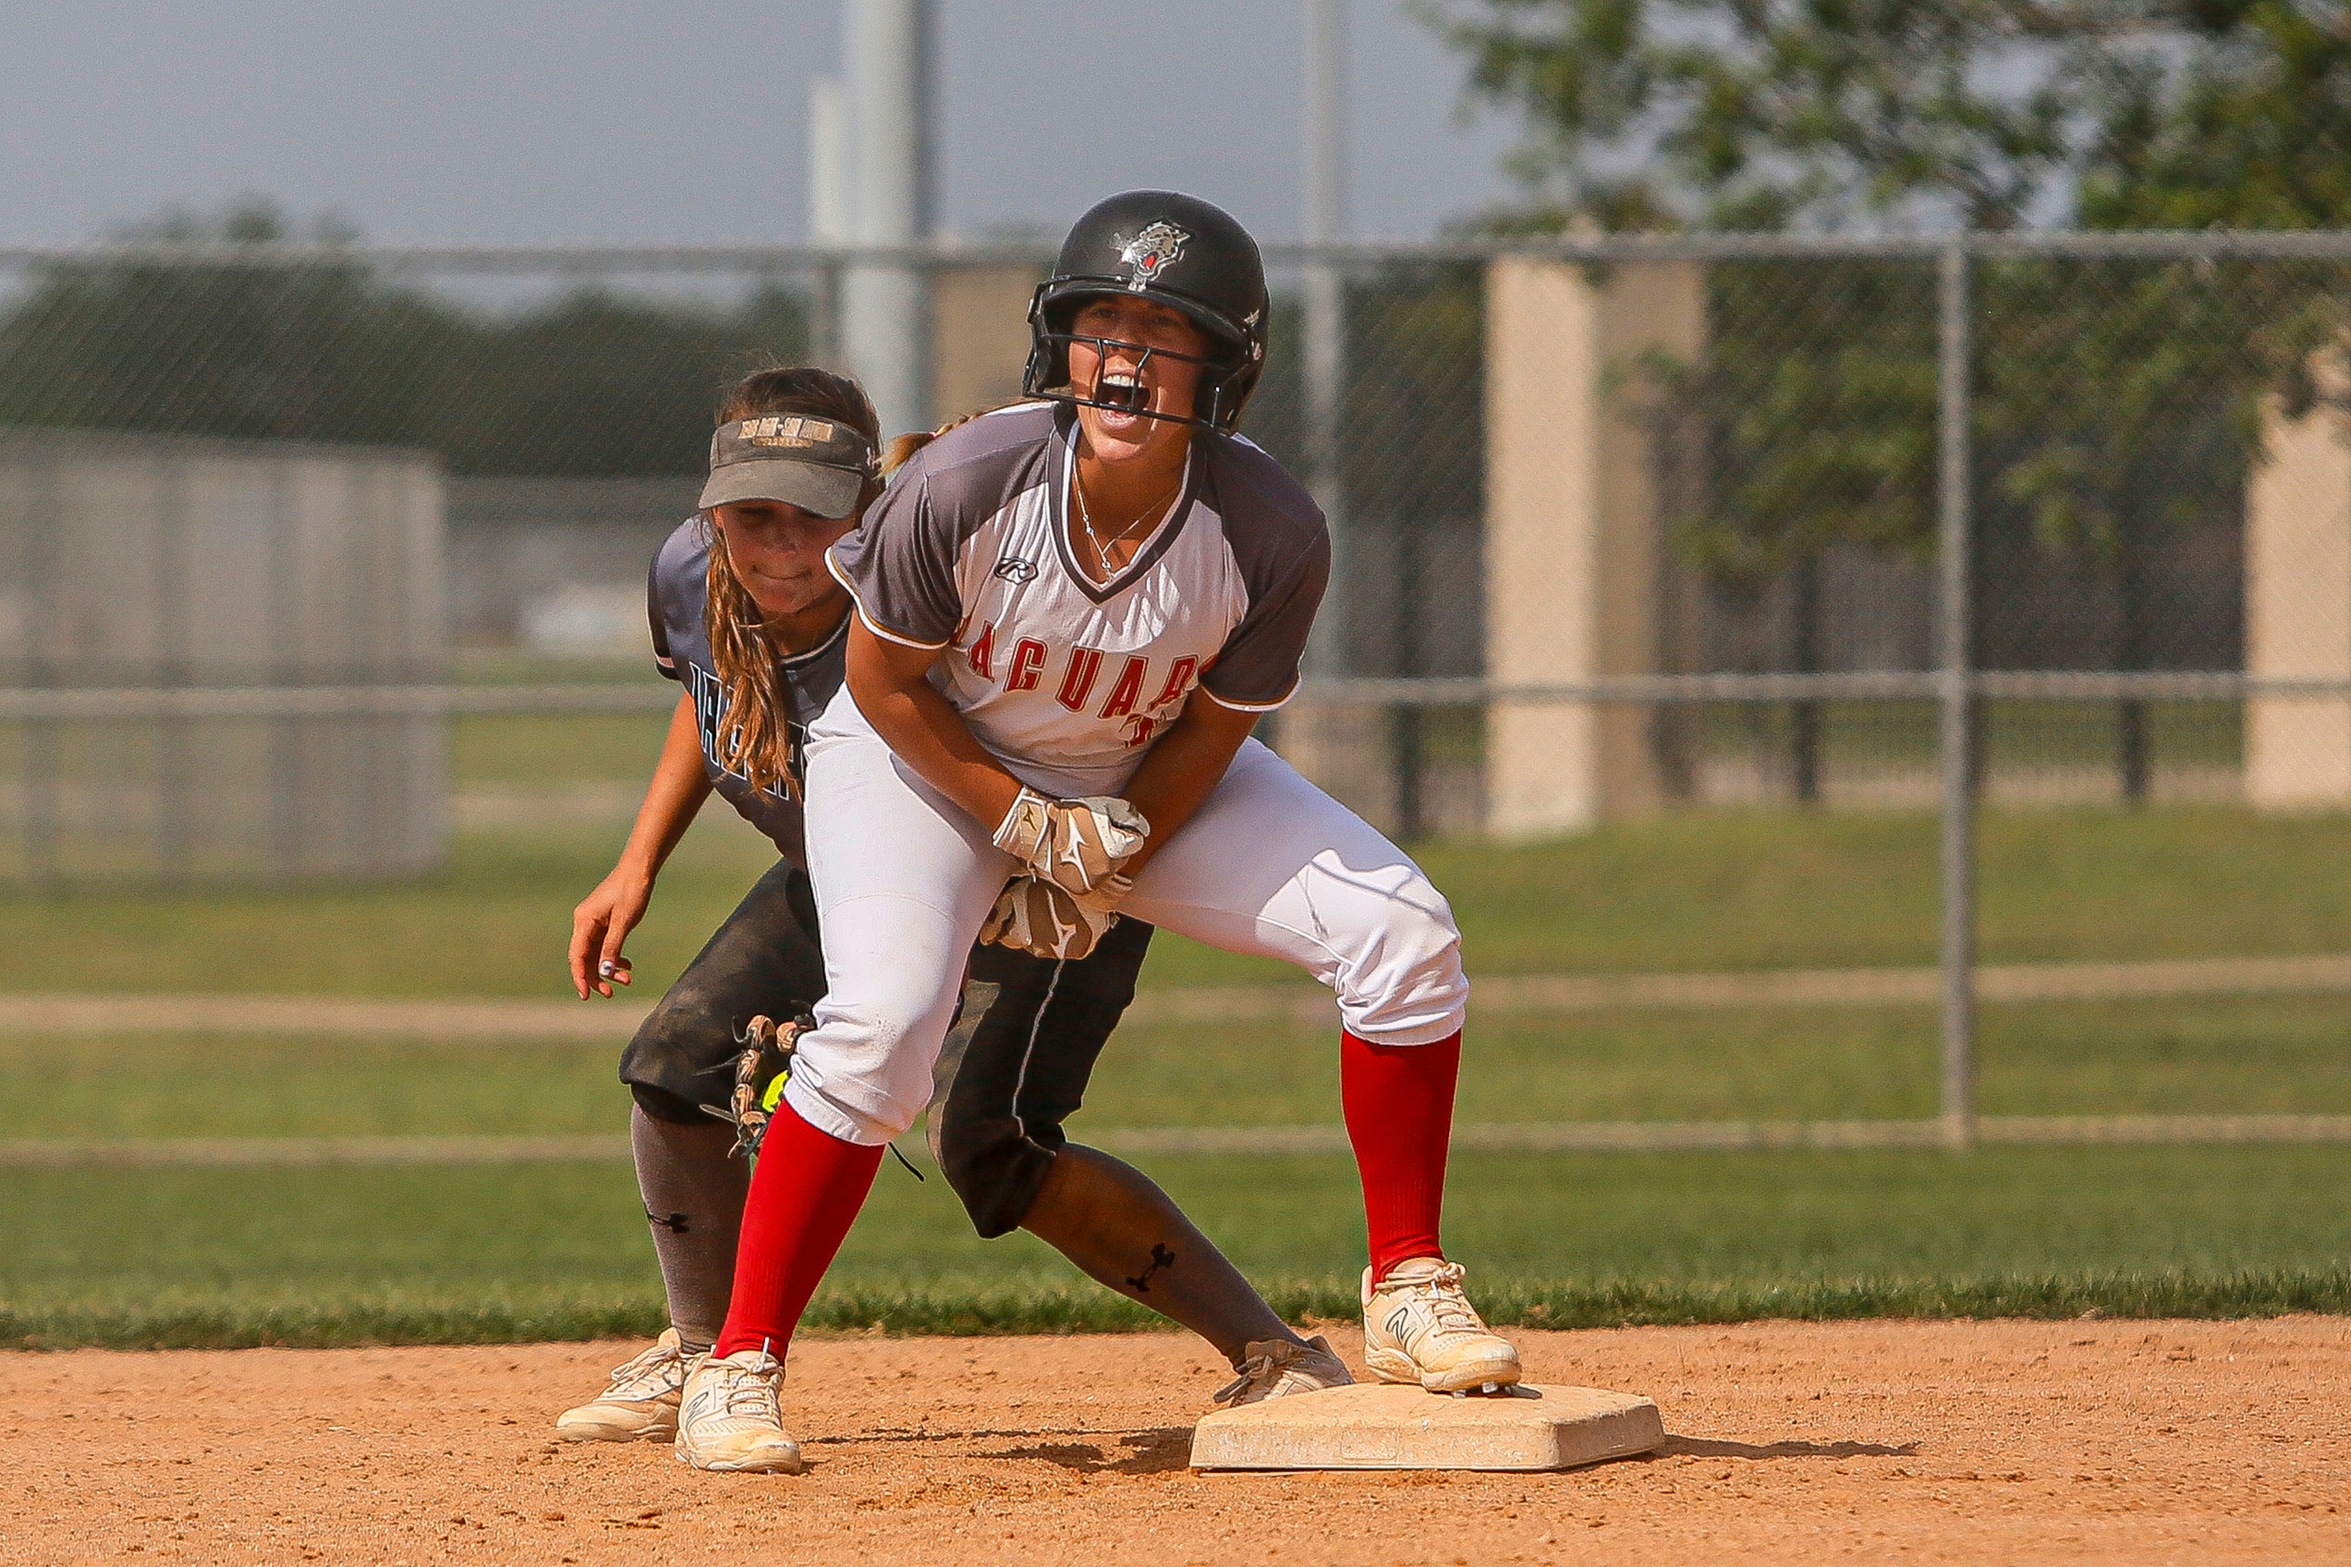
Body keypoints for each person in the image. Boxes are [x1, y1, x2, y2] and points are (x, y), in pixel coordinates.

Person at [675, 193, 1520, 1476]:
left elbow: (1209, 731)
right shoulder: (970, 478)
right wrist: (1015, 822)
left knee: (1401, 929)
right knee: (888, 1025)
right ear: (1057, 344)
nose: (1122, 355)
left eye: (1163, 329)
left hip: (1132, 769)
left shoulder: (1268, 528)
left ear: (1224, 367)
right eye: (1100, 321)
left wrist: (1111, 850)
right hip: (921, 759)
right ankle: (737, 1368)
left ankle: (1406, 1282)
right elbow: (888, 687)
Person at [553, 365, 1350, 1453]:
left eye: (813, 516)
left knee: (991, 1142)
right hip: (845, 867)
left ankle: (1275, 1353)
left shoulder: (925, 579)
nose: (781, 546)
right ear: (711, 507)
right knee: (678, 1065)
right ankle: (703, 1357)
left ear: (868, 505)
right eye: (752, 516)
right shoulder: (691, 570)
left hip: (1035, 863)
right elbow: (710, 689)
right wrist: (638, 858)